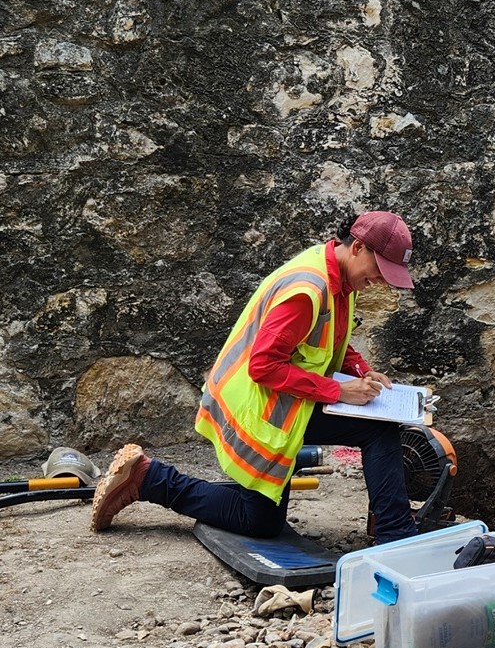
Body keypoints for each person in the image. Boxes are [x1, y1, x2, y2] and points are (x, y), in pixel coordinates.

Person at [90, 211, 422, 545]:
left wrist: (360, 369)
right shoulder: (308, 291)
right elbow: (263, 367)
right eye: (380, 270)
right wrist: (339, 391)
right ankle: (396, 536)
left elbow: (327, 334)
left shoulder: (339, 278)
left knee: (260, 520)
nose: (382, 280)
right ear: (357, 248)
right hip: (258, 409)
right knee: (377, 430)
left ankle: (149, 478)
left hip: (279, 402)